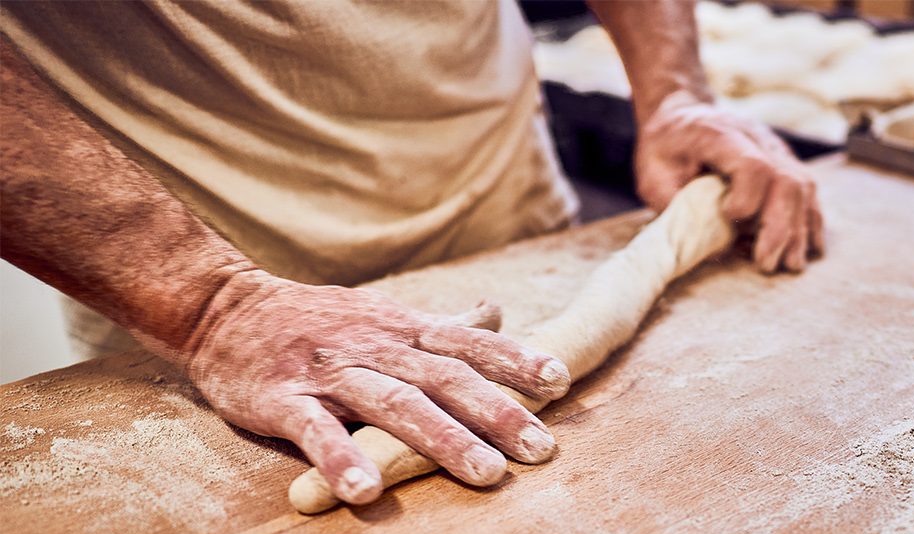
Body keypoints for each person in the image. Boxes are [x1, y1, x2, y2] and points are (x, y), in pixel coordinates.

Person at [0, 0, 824, 506]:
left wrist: (672, 86)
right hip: (201, 297)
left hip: (514, 210)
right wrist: (209, 304)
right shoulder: (205, 304)